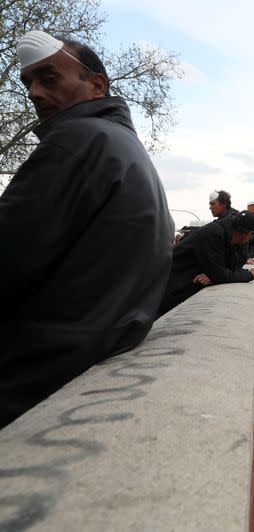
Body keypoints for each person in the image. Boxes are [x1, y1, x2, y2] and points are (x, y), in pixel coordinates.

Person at [0, 31, 173, 429]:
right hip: (84, 363)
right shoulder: (125, 148)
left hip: (31, 375)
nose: (34, 92)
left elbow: (8, 257)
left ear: (96, 85)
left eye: (49, 77)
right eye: (27, 82)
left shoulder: (76, 139)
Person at [158, 211, 254, 316]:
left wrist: (214, 274)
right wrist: (249, 275)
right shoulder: (214, 233)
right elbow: (221, 274)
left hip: (182, 286)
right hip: (169, 290)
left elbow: (233, 266)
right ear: (249, 234)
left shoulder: (230, 235)